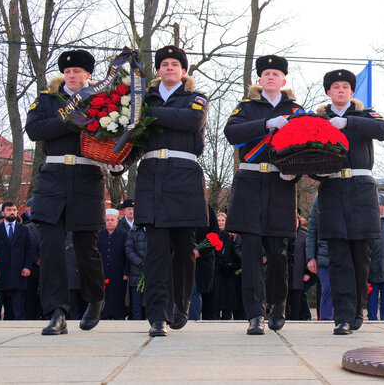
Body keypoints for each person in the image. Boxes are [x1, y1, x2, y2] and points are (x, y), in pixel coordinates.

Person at [26, 49, 111, 335]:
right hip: (52, 178)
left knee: (87, 247)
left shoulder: (102, 100)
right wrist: (70, 121)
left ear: (88, 75)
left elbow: (112, 134)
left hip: (87, 177)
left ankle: (95, 298)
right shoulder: (47, 100)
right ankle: (56, 312)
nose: (72, 75)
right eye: (68, 71)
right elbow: (35, 129)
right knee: (50, 246)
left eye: (78, 71)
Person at [224, 55, 302, 334]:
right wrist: (268, 124)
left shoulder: (296, 109)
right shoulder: (246, 107)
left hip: (281, 183)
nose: (271, 77)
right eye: (266, 73)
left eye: (276, 74)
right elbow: (231, 133)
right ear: (259, 79)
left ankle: (278, 304)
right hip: (249, 182)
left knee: (278, 252)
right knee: (250, 253)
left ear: (284, 80)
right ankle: (254, 314)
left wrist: (295, 172)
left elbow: (307, 144)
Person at [135, 45, 208, 337]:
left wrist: (150, 114)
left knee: (184, 250)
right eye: (164, 64)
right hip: (152, 177)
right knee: (156, 253)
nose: (169, 68)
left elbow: (191, 120)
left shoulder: (196, 99)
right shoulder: (142, 98)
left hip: (184, 178)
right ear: (158, 70)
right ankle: (157, 316)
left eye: (174, 64)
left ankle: (181, 303)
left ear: (183, 71)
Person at [315, 69, 384, 335]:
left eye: (345, 86)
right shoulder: (317, 119)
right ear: (328, 92)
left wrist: (347, 123)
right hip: (332, 188)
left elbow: (383, 130)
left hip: (361, 189)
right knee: (338, 257)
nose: (340, 90)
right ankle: (342, 317)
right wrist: (317, 172)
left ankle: (357, 309)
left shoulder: (365, 115)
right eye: (335, 86)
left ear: (351, 91)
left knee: (361, 256)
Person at [0, 201, 35, 320]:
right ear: (3, 212)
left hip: (19, 272)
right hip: (0, 273)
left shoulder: (23, 229)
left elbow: (29, 249)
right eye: (9, 210)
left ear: (17, 212)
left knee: (18, 308)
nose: (12, 212)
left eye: (14, 210)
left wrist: (27, 267)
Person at [306, 195, 332, 321]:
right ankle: (326, 319)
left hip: (342, 254)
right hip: (323, 255)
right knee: (327, 287)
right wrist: (311, 257)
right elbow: (311, 231)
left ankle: (342, 318)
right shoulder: (319, 198)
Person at [99, 209, 129, 320]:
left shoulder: (124, 235)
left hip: (119, 272)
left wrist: (126, 272)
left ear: (117, 221)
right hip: (103, 272)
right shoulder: (99, 235)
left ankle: (118, 316)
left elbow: (127, 255)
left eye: (112, 220)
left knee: (118, 295)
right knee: (104, 295)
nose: (110, 222)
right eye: (107, 220)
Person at [212, 212, 241, 320]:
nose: (220, 223)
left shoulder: (232, 237)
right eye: (218, 220)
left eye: (222, 220)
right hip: (216, 271)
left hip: (228, 271)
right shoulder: (213, 236)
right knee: (215, 299)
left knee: (228, 300)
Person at [125, 211, 147, 321]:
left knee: (151, 304)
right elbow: (129, 250)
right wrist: (140, 262)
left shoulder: (155, 231)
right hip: (136, 273)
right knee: (136, 305)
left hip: (152, 272)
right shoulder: (133, 231)